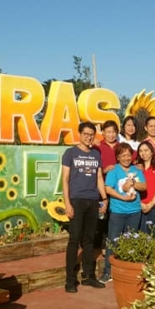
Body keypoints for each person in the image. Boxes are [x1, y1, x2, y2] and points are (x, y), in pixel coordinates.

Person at [62, 121, 107, 293]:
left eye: (91, 134)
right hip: (76, 200)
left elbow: (99, 179)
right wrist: (67, 202)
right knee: (74, 239)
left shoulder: (96, 154)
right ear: (79, 134)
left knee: (89, 240)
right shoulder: (70, 153)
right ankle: (70, 280)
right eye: (86, 134)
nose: (89, 137)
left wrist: (104, 199)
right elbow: (65, 179)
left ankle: (88, 276)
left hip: (93, 200)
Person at [100, 143, 146, 283]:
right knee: (113, 241)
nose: (126, 158)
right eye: (123, 155)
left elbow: (144, 186)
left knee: (130, 241)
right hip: (118, 211)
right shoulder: (114, 171)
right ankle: (108, 272)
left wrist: (132, 183)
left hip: (135, 211)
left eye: (128, 155)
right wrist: (123, 197)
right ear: (118, 157)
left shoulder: (136, 170)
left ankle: (126, 270)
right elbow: (108, 189)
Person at [137, 140, 155, 235]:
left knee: (152, 234)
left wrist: (151, 204)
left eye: (146, 150)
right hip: (139, 206)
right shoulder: (136, 168)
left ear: (152, 152)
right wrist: (141, 204)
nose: (143, 153)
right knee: (140, 235)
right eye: (141, 151)